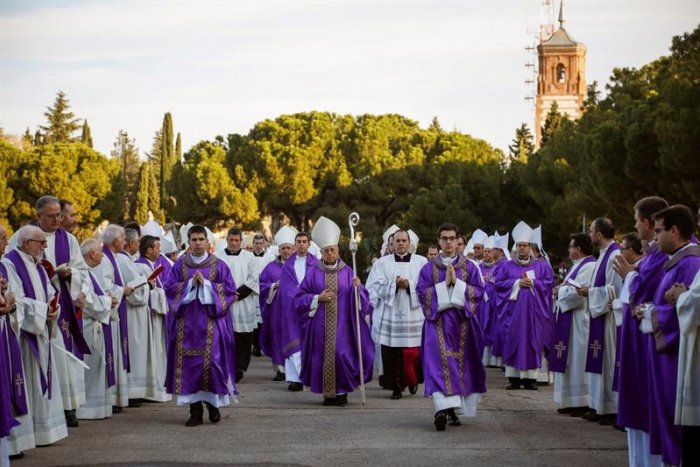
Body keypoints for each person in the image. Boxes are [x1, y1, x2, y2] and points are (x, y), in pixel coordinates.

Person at [637, 205, 699, 466]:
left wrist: (654, 314)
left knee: (677, 419)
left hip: (678, 357)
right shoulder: (677, 261)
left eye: (659, 231)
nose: (655, 236)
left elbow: (688, 309)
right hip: (669, 355)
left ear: (674, 231)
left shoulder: (690, 263)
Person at [294, 217, 374, 406]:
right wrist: (316, 298)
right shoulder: (313, 272)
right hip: (320, 325)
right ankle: (327, 393)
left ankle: (342, 392)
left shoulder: (348, 272)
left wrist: (358, 288)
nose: (330, 253)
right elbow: (299, 298)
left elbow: (363, 301)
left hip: (343, 324)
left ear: (338, 250)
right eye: (326, 250)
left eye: (333, 249)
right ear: (321, 252)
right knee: (322, 356)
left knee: (341, 355)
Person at [612, 196, 668, 464]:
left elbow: (643, 290)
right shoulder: (654, 254)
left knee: (646, 409)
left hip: (647, 343)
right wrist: (633, 272)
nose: (634, 226)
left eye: (636, 221)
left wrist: (630, 275)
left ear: (647, 223)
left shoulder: (663, 256)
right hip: (638, 341)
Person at [163, 225, 237, 426]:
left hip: (211, 323)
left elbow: (230, 291)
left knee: (212, 364)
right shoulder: (179, 266)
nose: (197, 243)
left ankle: (213, 406)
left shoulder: (219, 265)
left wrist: (206, 285)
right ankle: (194, 412)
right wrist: (189, 285)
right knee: (188, 367)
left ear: (207, 242)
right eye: (194, 240)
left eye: (200, 239)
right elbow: (169, 290)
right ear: (188, 242)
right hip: (186, 326)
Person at [2, 226, 68, 451]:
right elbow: (15, 300)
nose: (45, 246)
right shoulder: (10, 264)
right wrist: (42, 311)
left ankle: (44, 432)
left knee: (40, 386)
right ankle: (21, 439)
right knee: (25, 385)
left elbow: (51, 293)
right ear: (27, 243)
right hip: (22, 338)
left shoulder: (38, 266)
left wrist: (52, 309)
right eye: (41, 242)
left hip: (40, 331)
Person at [416, 223, 486, 431]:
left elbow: (479, 292)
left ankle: (452, 410)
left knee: (461, 367)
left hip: (463, 324)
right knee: (436, 366)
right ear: (438, 241)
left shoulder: (471, 267)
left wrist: (458, 285)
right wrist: (444, 285)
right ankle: (441, 410)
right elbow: (422, 293)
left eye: (452, 238)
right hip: (435, 324)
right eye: (444, 238)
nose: (448, 242)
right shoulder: (428, 268)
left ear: (458, 241)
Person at [33, 196, 90, 427]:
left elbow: (82, 269)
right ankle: (48, 408)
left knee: (66, 356)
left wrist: (72, 276)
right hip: (38, 303)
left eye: (59, 215)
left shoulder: (70, 240)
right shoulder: (25, 236)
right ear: (39, 216)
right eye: (51, 216)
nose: (57, 220)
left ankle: (69, 407)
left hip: (63, 302)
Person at [366, 230, 427, 400]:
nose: (400, 243)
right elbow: (376, 285)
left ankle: (413, 380)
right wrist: (394, 285)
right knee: (392, 352)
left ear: (409, 243)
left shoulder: (421, 262)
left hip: (412, 314)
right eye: (397, 241)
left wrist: (408, 284)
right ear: (391, 244)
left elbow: (426, 285)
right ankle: (396, 387)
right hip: (391, 315)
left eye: (403, 240)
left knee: (412, 352)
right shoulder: (382, 263)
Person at [494, 221, 551, 391]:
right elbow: (499, 284)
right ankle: (513, 378)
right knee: (514, 341)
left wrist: (533, 283)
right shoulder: (506, 266)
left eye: (525, 245)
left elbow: (548, 284)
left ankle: (530, 379)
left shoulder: (541, 266)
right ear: (516, 247)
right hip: (513, 314)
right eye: (519, 245)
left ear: (530, 247)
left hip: (534, 314)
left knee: (532, 341)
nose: (522, 248)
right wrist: (518, 283)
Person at [578, 218, 622, 425]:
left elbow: (614, 290)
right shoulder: (603, 254)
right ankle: (598, 405)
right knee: (599, 362)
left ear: (600, 234)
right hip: (599, 315)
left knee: (608, 362)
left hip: (609, 318)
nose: (589, 234)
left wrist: (589, 292)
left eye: (591, 230)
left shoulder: (614, 254)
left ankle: (610, 408)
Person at [551, 233, 595, 416]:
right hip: (568, 320)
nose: (569, 250)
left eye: (571, 246)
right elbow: (569, 288)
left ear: (578, 249)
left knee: (577, 360)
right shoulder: (577, 266)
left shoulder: (590, 266)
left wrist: (561, 290)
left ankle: (580, 401)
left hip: (578, 321)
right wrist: (561, 289)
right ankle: (568, 400)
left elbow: (577, 294)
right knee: (569, 360)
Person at [76, 238, 116, 420]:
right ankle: (88, 410)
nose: (102, 254)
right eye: (100, 251)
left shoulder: (90, 272)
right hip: (86, 327)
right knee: (90, 371)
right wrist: (109, 301)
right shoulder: (82, 273)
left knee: (97, 367)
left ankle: (98, 408)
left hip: (93, 326)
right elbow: (87, 303)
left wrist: (107, 299)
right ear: (92, 254)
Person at [96, 224, 134, 412]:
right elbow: (104, 286)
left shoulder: (115, 258)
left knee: (116, 355)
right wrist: (123, 290)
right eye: (124, 239)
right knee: (111, 357)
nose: (125, 242)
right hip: (108, 315)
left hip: (115, 314)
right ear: (116, 241)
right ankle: (111, 399)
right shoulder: (103, 259)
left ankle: (116, 398)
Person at [215, 228, 259, 383]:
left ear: (241, 242)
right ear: (227, 240)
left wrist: (237, 294)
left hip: (243, 303)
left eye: (236, 240)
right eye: (231, 240)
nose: (233, 243)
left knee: (243, 336)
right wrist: (227, 296)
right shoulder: (217, 257)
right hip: (224, 303)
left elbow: (254, 278)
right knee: (226, 336)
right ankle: (226, 366)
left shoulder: (249, 257)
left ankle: (240, 367)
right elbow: (214, 278)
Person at [279, 231, 318, 391]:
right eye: (299, 241)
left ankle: (310, 376)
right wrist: (297, 296)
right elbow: (285, 287)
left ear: (309, 244)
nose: (301, 244)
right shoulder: (288, 265)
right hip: (292, 309)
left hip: (311, 308)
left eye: (304, 241)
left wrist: (309, 298)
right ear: (295, 245)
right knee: (293, 341)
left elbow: (318, 283)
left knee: (310, 344)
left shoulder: (316, 263)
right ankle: (295, 379)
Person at [134, 235, 171, 402]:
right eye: (157, 247)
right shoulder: (141, 267)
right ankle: (153, 390)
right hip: (150, 317)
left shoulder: (152, 266)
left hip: (156, 318)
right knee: (154, 352)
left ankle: (159, 386)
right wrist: (162, 295)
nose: (159, 250)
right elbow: (144, 293)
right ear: (149, 250)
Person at [258, 227, 296, 381]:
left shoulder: (299, 266)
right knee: (277, 337)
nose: (286, 251)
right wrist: (274, 285)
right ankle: (280, 370)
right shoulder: (270, 268)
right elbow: (262, 285)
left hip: (294, 310)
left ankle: (294, 370)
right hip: (276, 311)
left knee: (293, 338)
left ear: (293, 249)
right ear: (278, 250)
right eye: (283, 248)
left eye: (289, 248)